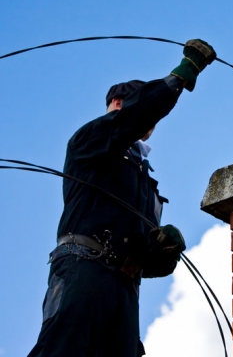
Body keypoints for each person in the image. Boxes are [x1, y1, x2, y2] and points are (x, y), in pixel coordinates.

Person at [28, 39, 216, 357]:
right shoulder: (91, 140)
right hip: (83, 270)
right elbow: (131, 120)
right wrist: (180, 77)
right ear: (117, 103)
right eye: (144, 110)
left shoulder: (147, 185)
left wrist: (164, 250)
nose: (150, 122)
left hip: (125, 289)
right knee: (63, 349)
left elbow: (146, 262)